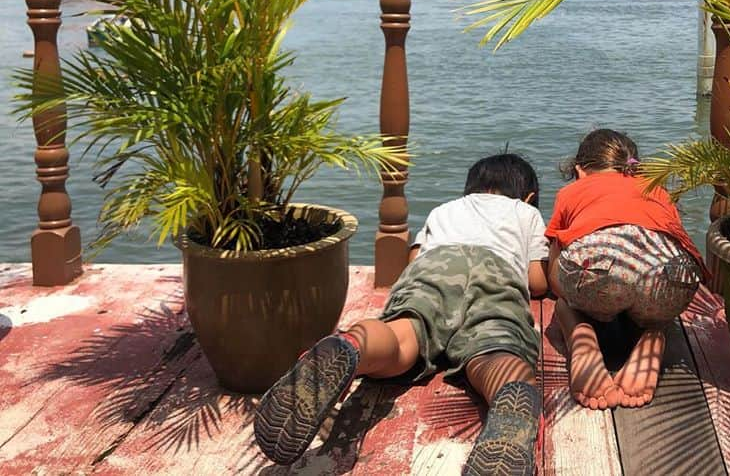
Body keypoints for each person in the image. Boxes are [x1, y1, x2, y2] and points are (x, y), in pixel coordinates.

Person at [254, 153, 549, 475]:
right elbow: (536, 280)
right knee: (498, 346)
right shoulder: (526, 213)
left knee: (403, 334)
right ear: (529, 196)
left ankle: (353, 347)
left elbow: (413, 261)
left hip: (436, 267)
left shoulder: (445, 210)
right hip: (495, 271)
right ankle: (510, 397)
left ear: (470, 189)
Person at [547, 128, 705, 410]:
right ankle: (656, 331)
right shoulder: (657, 189)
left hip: (601, 271)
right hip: (672, 280)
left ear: (580, 171)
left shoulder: (572, 191)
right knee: (657, 299)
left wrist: (568, 292)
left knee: (564, 302)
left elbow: (555, 276)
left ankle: (580, 335)